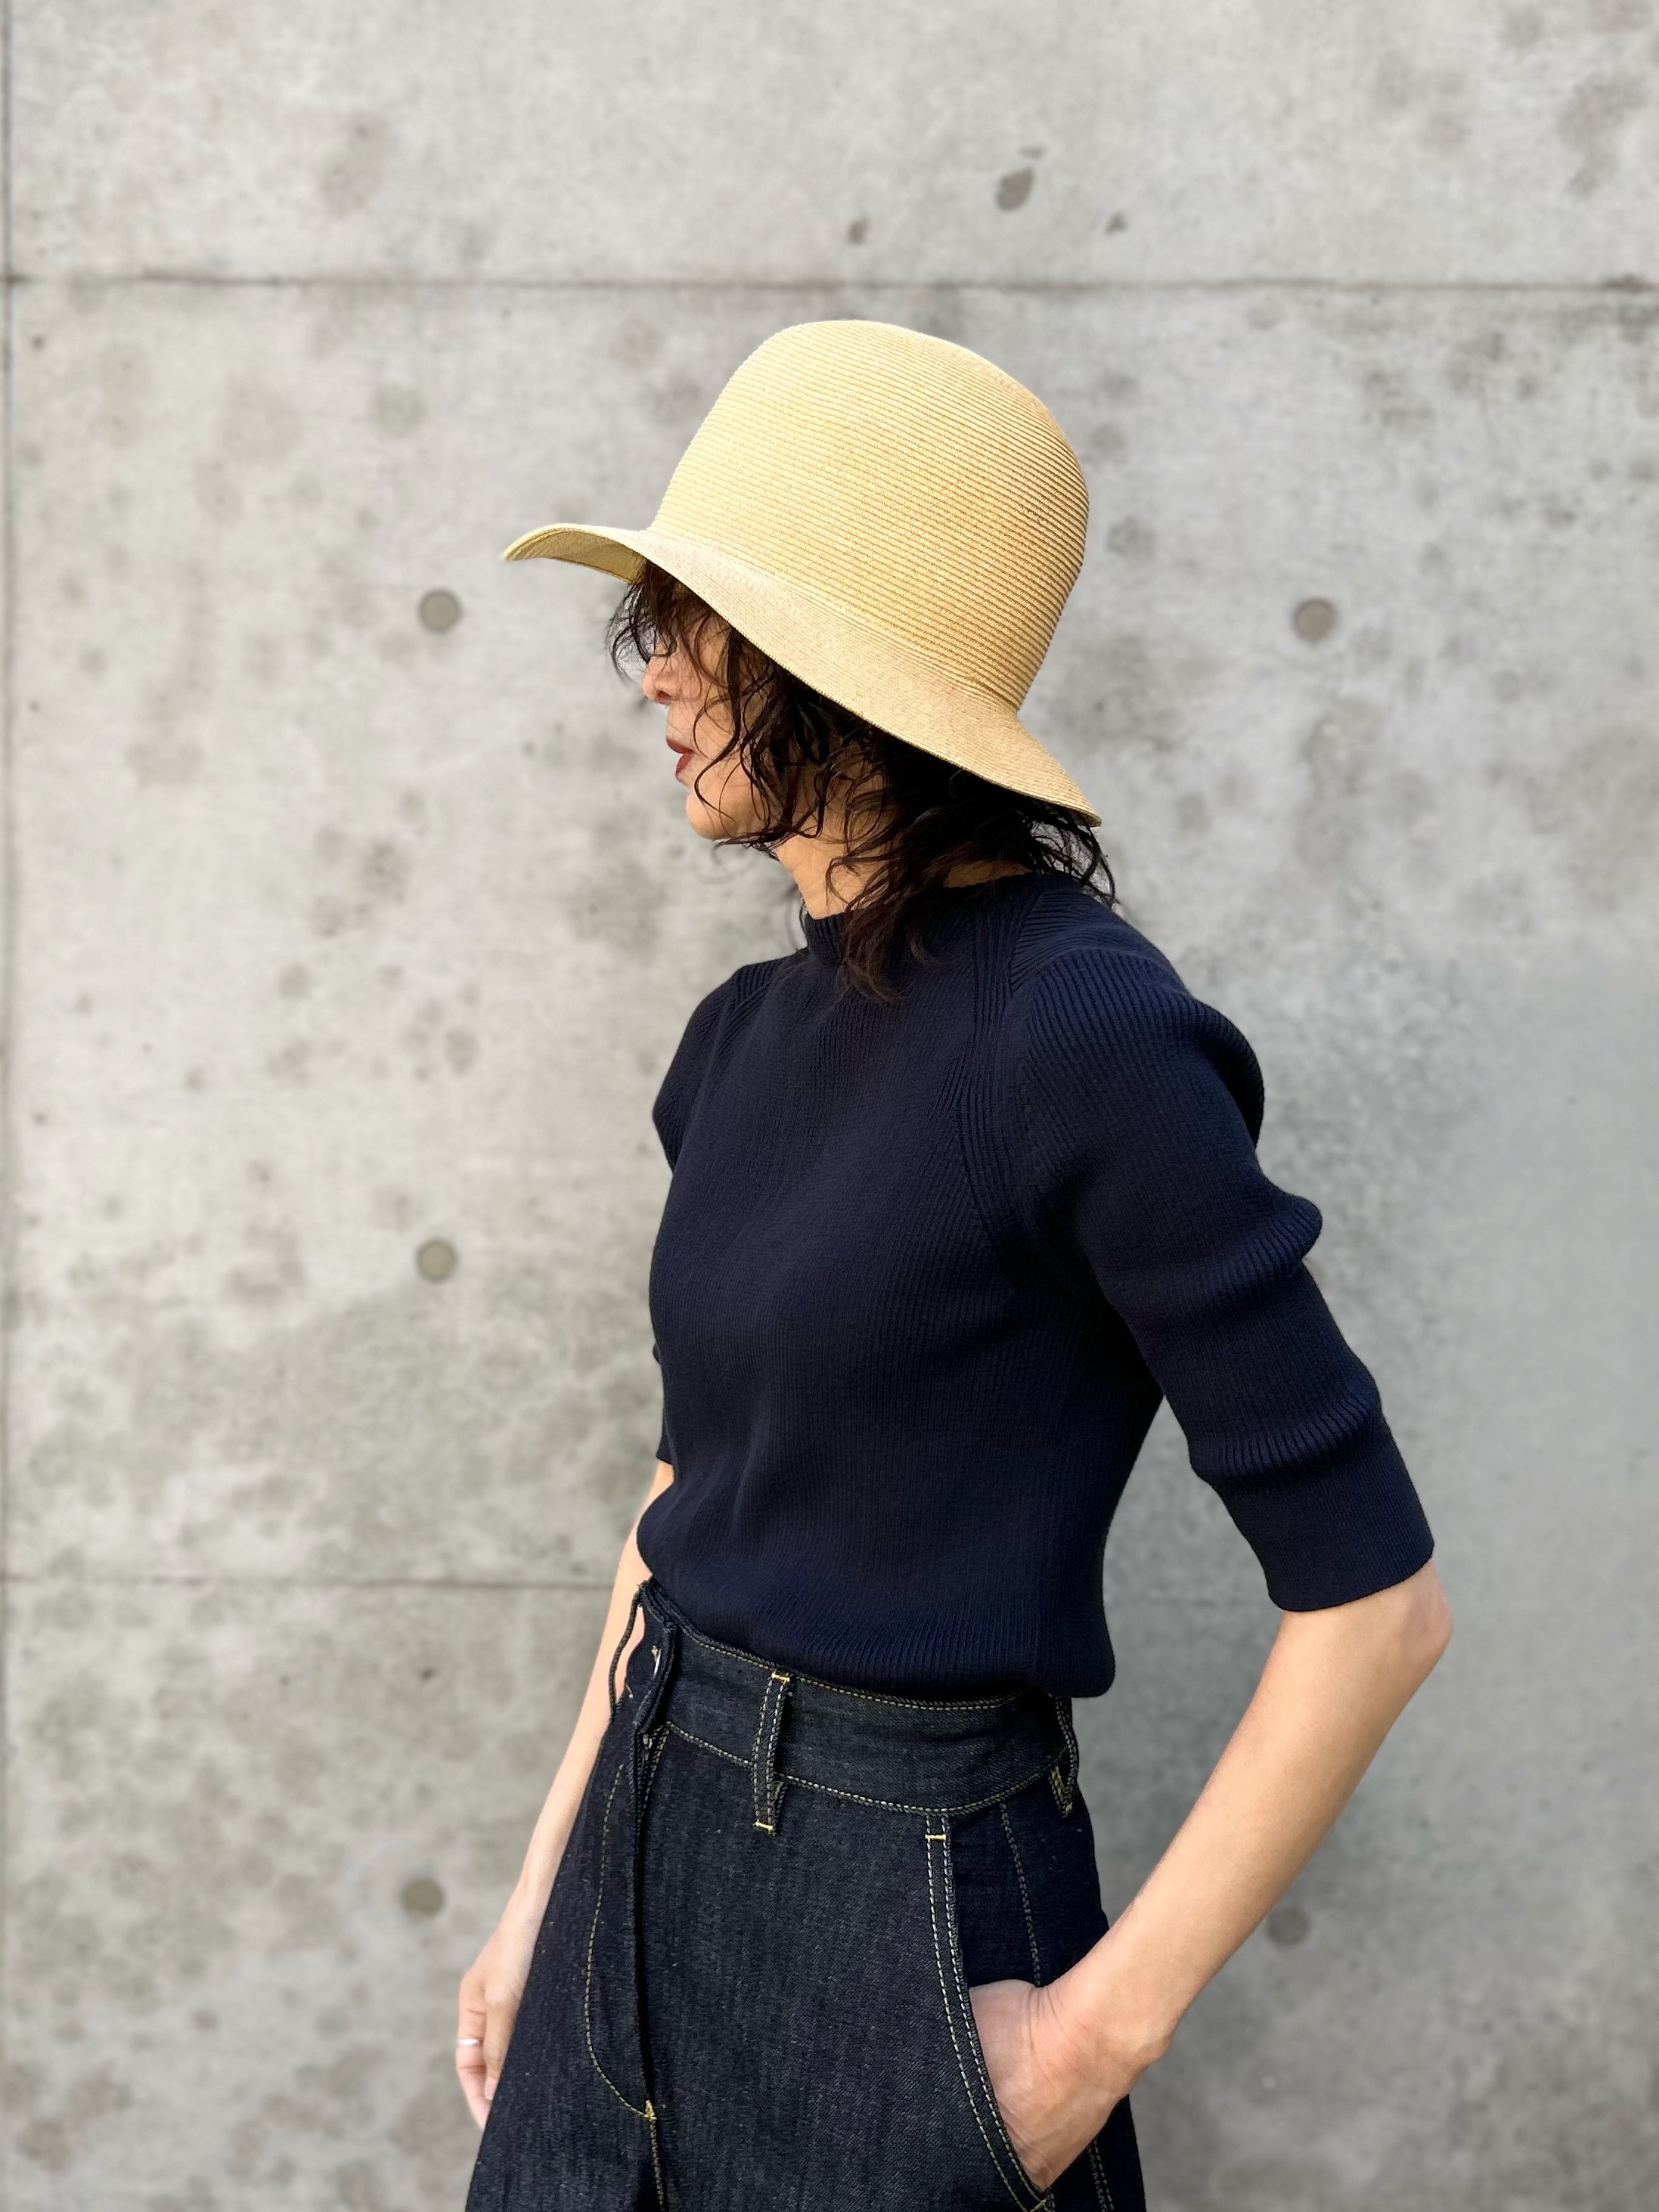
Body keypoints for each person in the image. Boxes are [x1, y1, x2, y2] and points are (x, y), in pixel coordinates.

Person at [456, 319, 1450, 2211]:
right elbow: (684, 1491)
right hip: (638, 1841)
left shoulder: (1083, 1036)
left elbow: (1374, 1604)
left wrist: (1087, 2046)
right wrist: (539, 1895)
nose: (649, 666)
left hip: (895, 1888)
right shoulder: (738, 1039)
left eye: (691, 619)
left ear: (836, 665)